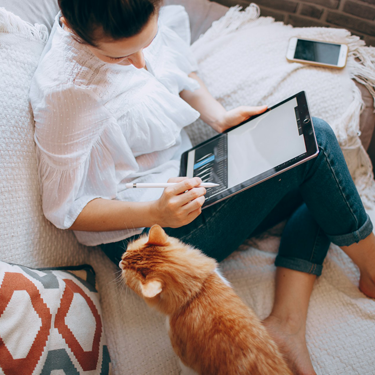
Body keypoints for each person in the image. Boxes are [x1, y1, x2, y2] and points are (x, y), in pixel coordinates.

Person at [29, 0, 375, 374]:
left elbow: (179, 72)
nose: (141, 63)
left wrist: (219, 117)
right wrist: (154, 212)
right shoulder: (66, 94)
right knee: (318, 143)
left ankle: (285, 325)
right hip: (150, 234)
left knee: (314, 167)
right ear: (69, 24)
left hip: (187, 178)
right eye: (121, 57)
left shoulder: (131, 21)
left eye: (147, 42)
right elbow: (64, 208)